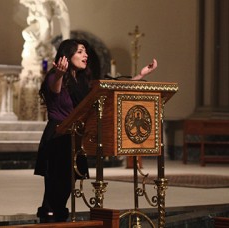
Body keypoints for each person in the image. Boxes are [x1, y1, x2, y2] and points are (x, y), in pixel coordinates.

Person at [34, 39, 157, 222]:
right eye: (80, 51)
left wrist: (139, 76)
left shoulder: (81, 81)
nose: (85, 55)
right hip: (58, 137)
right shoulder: (54, 76)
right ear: (68, 55)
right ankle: (49, 220)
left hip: (75, 138)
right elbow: (55, 91)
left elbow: (108, 91)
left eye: (85, 52)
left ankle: (57, 219)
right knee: (54, 188)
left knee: (66, 188)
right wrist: (60, 74)